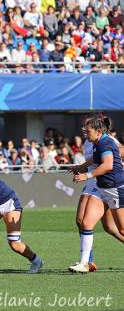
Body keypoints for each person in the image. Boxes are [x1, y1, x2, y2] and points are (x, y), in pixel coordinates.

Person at [70, 114, 124, 273]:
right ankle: (85, 263)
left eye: (87, 131)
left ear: (98, 131)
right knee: (85, 222)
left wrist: (86, 175)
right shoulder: (97, 142)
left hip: (114, 189)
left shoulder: (106, 142)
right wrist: (80, 167)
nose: (85, 133)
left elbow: (107, 166)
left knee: (120, 229)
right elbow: (94, 159)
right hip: (100, 188)